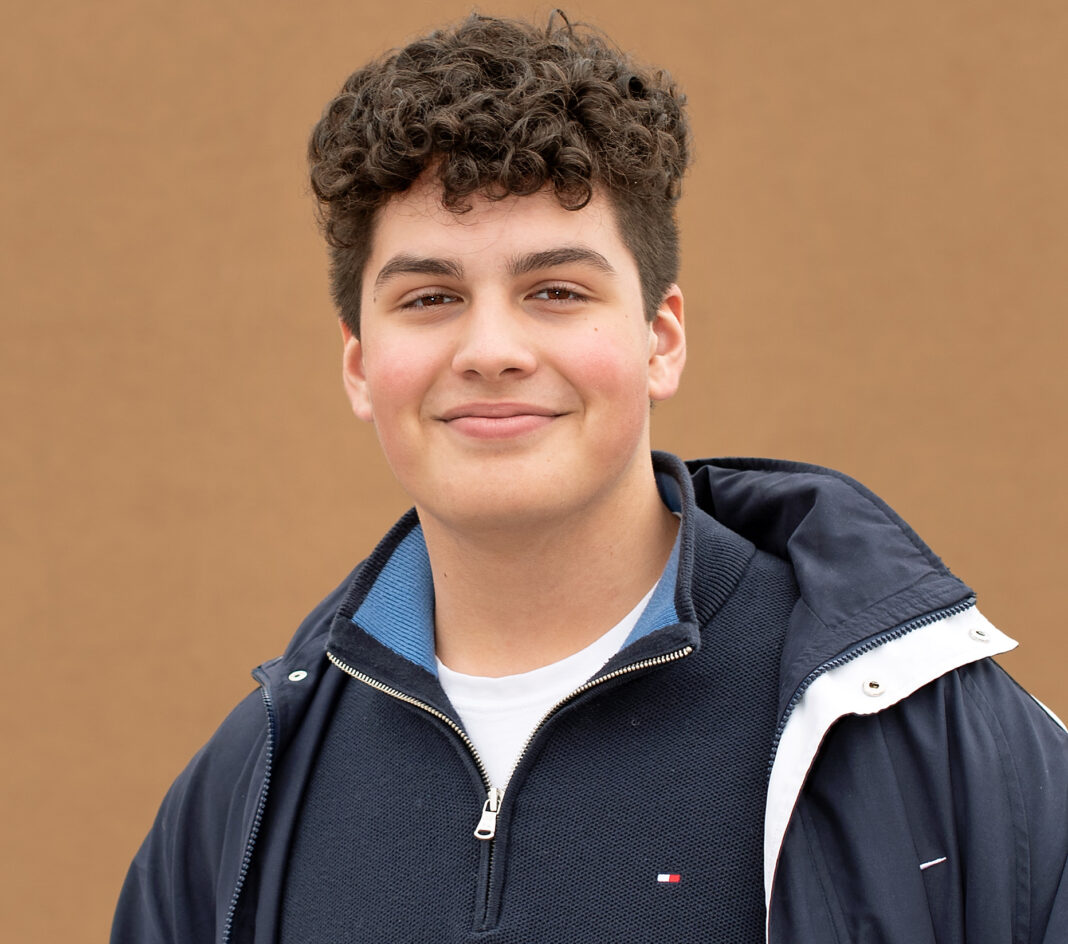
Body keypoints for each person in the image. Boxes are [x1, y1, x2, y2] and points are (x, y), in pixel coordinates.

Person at [111, 12, 1068, 944]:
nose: (491, 350)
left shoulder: (933, 743)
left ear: (662, 338)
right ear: (360, 364)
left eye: (556, 292)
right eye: (431, 297)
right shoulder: (243, 801)